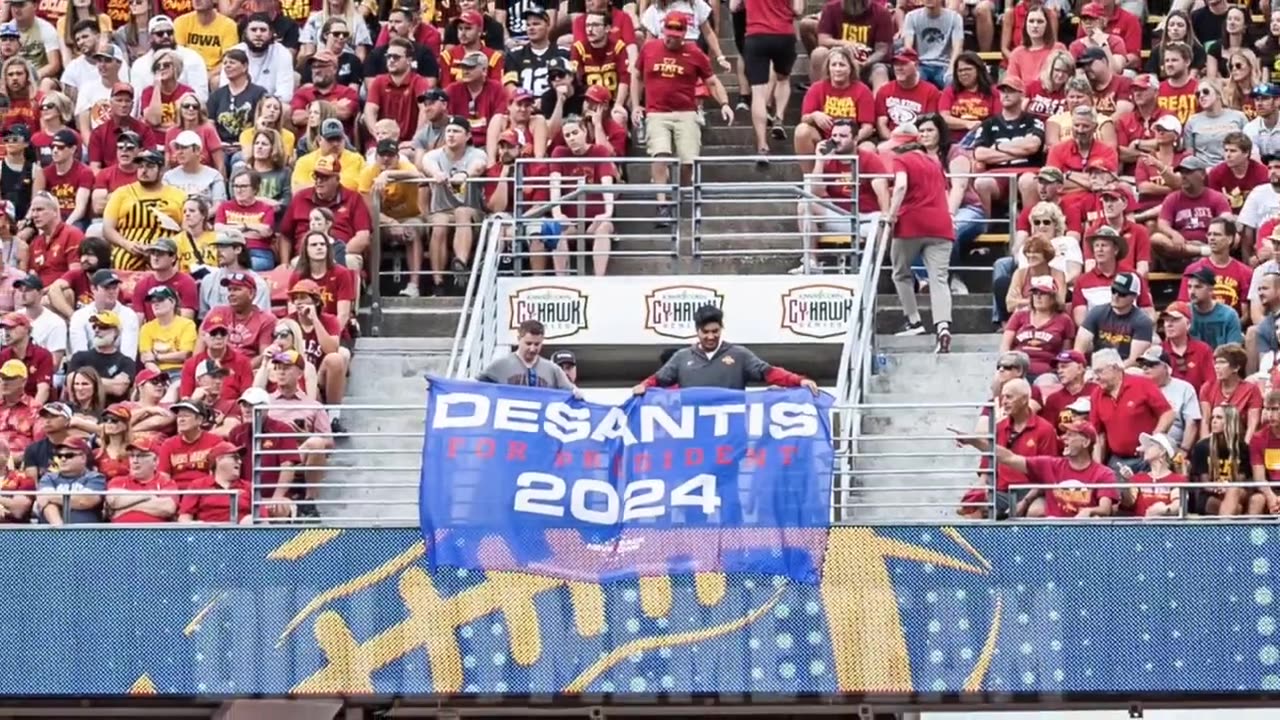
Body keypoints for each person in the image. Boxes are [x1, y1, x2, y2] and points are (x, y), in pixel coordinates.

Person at [630, 14, 730, 224]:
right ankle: (662, 204)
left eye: (676, 36)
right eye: (668, 34)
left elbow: (711, 82)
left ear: (684, 34)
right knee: (660, 154)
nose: (671, 39)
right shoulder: (649, 48)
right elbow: (637, 75)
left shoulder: (695, 53)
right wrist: (636, 104)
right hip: (657, 112)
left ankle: (680, 194)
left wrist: (725, 103)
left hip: (686, 112)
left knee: (688, 161)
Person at [883, 122, 953, 353]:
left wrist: (891, 214)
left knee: (901, 273)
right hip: (942, 225)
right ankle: (943, 327)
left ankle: (914, 321)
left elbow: (901, 186)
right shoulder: (934, 162)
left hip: (911, 223)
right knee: (939, 279)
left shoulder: (902, 160)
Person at [633, 306, 819, 393]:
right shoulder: (681, 357)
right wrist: (642, 386)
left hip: (731, 437)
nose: (711, 336)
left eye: (715, 331)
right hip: (692, 437)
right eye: (705, 332)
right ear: (697, 331)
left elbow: (769, 372)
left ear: (721, 328)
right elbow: (658, 379)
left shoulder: (739, 354)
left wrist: (800, 381)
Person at [954, 420, 1117, 518]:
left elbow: (1105, 508)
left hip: (1087, 535)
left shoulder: (1103, 473)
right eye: (1064, 434)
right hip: (1053, 532)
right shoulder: (1050, 464)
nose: (1063, 438)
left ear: (1086, 443)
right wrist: (974, 441)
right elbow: (1008, 457)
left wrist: (1089, 511)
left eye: (1071, 435)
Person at [421, 116, 487, 295]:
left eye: (456, 131)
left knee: (462, 212)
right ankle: (438, 282)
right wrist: (436, 173)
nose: (451, 135)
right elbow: (426, 163)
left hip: (471, 210)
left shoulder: (476, 153)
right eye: (448, 131)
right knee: (440, 222)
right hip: (441, 210)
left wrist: (465, 174)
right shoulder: (434, 155)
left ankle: (461, 263)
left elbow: (479, 166)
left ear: (467, 136)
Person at [1089, 347, 1175, 476]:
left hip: (1147, 459)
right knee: (1118, 496)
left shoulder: (1142, 384)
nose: (1096, 378)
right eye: (1094, 373)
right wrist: (1098, 467)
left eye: (1099, 372)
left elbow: (1167, 414)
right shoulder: (1096, 395)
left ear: (1115, 368)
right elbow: (1098, 435)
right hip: (1117, 461)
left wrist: (1153, 442)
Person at [101, 149, 186, 272]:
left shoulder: (178, 195)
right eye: (140, 166)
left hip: (167, 247)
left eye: (150, 166)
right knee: (121, 260)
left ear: (162, 170)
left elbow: (186, 229)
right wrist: (126, 244)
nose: (144, 171)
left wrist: (167, 245)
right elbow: (107, 229)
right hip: (131, 246)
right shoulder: (122, 193)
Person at [1152, 155, 1233, 263]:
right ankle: (1203, 251)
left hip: (1210, 244)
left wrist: (1212, 238)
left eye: (1188, 172)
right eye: (1182, 173)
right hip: (1181, 251)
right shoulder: (1172, 198)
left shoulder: (1217, 197)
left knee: (1234, 237)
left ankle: (1206, 251)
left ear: (1202, 174)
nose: (1183, 176)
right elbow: (1162, 224)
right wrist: (1173, 234)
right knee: (1157, 238)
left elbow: (1227, 222)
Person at [1001, 275, 1075, 381]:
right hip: (1017, 368)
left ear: (1053, 297)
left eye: (1043, 294)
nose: (1038, 297)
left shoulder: (1064, 320)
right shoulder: (1019, 316)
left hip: (1047, 371)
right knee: (1001, 380)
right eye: (1035, 293)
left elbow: (1066, 353)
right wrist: (1006, 365)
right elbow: (1005, 345)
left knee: (1046, 382)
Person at [1136, 345, 1201, 465]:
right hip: (1140, 450)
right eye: (1143, 365)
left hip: (1172, 449)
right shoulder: (1137, 387)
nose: (1145, 368)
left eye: (1151, 364)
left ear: (1166, 368)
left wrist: (1184, 450)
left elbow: (1191, 423)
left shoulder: (1184, 388)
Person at [1074, 271, 1153, 365]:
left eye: (1122, 294)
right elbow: (1078, 351)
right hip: (1097, 365)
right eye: (1114, 291)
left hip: (1126, 369)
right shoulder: (1097, 312)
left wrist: (1111, 372)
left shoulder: (1142, 321)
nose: (1116, 296)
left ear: (1134, 296)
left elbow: (1134, 360)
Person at [1191, 403, 1251, 515]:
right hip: (1210, 494)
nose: (1214, 421)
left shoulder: (1242, 448)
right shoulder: (1202, 447)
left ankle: (1222, 532)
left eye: (1219, 417)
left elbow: (1240, 480)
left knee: (1234, 491)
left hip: (1235, 491)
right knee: (1236, 509)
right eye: (1213, 417)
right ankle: (1227, 529)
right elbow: (1205, 483)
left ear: (1230, 421)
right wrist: (1217, 488)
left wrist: (1227, 488)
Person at [200, 272, 275, 361]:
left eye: (236, 289)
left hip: (248, 369)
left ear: (251, 293)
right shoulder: (217, 312)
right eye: (229, 290)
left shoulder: (266, 320)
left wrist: (241, 370)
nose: (231, 294)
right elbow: (201, 344)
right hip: (214, 367)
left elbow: (264, 357)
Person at [68, 309, 137, 404]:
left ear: (116, 332)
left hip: (112, 413)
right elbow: (71, 381)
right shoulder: (80, 357)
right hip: (81, 411)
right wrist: (109, 383)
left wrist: (85, 381)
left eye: (103, 327)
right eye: (94, 326)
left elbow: (118, 388)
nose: (97, 330)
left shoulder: (126, 362)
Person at [105, 435, 179, 523]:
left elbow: (168, 508)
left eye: (141, 456)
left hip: (155, 534)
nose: (135, 461)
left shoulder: (165, 482)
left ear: (155, 461)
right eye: (132, 456)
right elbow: (113, 500)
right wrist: (149, 495)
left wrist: (123, 508)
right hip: (121, 534)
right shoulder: (117, 481)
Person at [68, 269, 140, 358]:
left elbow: (128, 356)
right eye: (106, 288)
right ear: (93, 289)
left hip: (120, 368)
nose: (112, 292)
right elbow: (79, 355)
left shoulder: (129, 315)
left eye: (115, 287)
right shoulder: (79, 316)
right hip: (87, 369)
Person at [34, 436, 105, 525]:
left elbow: (85, 501)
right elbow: (47, 505)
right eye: (60, 456)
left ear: (83, 458)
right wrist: (60, 529)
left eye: (69, 455)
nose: (63, 459)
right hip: (52, 534)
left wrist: (51, 497)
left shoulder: (95, 478)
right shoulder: (48, 478)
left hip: (86, 534)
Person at [179, 316, 254, 399]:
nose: (219, 337)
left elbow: (247, 397)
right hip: (200, 408)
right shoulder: (191, 364)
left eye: (223, 333)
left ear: (228, 336)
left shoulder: (243, 361)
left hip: (233, 409)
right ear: (203, 336)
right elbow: (185, 397)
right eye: (213, 333)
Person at [1200, 343, 1262, 443]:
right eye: (1216, 363)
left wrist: (1243, 450)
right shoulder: (1207, 387)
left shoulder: (1251, 390)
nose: (1217, 367)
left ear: (1236, 367)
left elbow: (1252, 425)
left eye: (1222, 362)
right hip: (1214, 442)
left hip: (1240, 441)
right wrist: (1205, 447)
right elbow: (1206, 421)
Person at [179, 440, 253, 522]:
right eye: (234, 457)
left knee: (249, 519)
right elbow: (184, 518)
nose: (240, 462)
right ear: (219, 460)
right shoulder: (198, 485)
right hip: (208, 533)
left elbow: (262, 519)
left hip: (242, 533)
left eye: (239, 458)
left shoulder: (249, 487)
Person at [157, 399, 223, 490]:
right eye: (179, 416)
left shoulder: (216, 442)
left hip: (205, 492)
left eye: (186, 416)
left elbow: (219, 476)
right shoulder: (168, 444)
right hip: (177, 493)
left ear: (199, 420)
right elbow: (164, 477)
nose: (181, 420)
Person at [1116, 433, 1186, 517]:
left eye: (1151, 445)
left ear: (1162, 451)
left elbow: (1178, 505)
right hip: (1139, 528)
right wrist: (1126, 482)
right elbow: (1128, 503)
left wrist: (1164, 510)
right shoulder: (1137, 478)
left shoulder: (1177, 480)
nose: (1146, 448)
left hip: (1166, 528)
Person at [1182, 265, 1245, 349]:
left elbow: (1234, 350)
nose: (1192, 292)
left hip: (1222, 360)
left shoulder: (1229, 315)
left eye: (1198, 287)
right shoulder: (1183, 313)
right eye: (1189, 287)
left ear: (1211, 290)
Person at [1160, 301, 1215, 394]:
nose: (1169, 324)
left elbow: (1211, 382)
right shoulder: (1158, 351)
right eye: (1166, 320)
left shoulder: (1203, 349)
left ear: (1188, 324)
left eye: (1175, 320)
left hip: (1198, 402)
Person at [0, 312, 52, 405]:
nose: (6, 332)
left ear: (26, 329)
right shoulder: (3, 356)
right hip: (8, 406)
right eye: (5, 329)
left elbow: (43, 389)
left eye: (11, 328)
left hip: (34, 407)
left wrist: (32, 413)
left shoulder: (43, 355)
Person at [1249, 390, 1280, 515]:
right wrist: (1271, 497)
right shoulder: (1258, 438)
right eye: (1267, 409)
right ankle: (1248, 534)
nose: (1270, 414)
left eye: (1275, 409)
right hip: (1271, 487)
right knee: (1257, 500)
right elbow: (1259, 478)